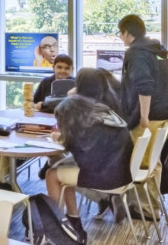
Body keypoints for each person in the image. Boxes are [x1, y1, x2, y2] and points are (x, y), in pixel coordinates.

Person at [44, 68, 135, 235]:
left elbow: (75, 145)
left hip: (105, 175)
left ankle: (57, 226)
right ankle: (73, 220)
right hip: (123, 171)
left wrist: (60, 138)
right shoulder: (109, 104)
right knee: (61, 166)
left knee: (52, 174)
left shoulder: (77, 109)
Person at [116, 14, 168, 168]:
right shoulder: (158, 49)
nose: (120, 38)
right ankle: (154, 193)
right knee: (152, 163)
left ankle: (143, 193)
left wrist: (144, 117)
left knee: (140, 166)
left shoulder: (136, 53)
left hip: (151, 117)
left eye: (120, 33)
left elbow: (144, 85)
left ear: (126, 33)